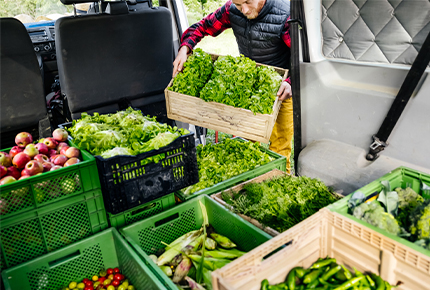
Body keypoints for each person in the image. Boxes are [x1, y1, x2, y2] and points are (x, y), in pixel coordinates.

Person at [173, 0, 294, 173]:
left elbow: (301, 57)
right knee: (246, 147)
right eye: (238, 4)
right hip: (247, 87)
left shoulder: (284, 15)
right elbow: (203, 26)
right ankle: (247, 183)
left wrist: (291, 83)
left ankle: (280, 180)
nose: (243, 10)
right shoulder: (231, 10)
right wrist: (185, 48)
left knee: (280, 149)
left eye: (247, 2)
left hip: (282, 89)